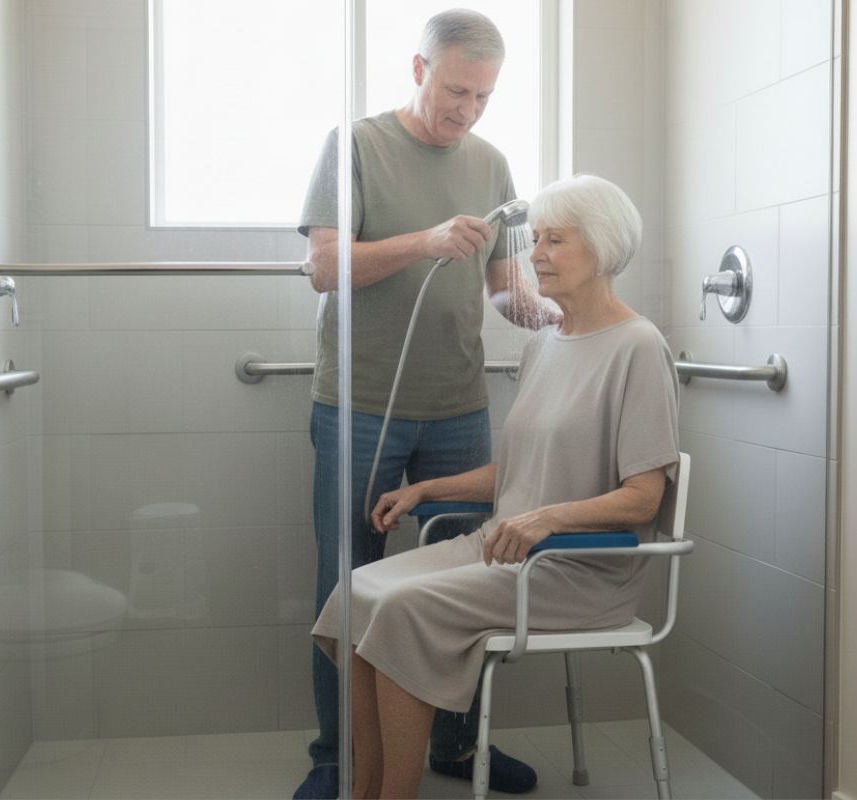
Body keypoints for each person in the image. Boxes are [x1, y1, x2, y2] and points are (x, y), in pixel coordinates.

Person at [310, 173, 682, 799]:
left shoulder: (639, 347)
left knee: (401, 609)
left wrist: (546, 520)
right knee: (357, 594)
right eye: (535, 239)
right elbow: (517, 469)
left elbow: (644, 497)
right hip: (504, 547)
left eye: (554, 241)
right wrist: (426, 491)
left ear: (604, 246)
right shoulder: (546, 345)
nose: (534, 255)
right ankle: (364, 789)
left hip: (575, 571)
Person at [294, 8, 555, 800]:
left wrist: (545, 312)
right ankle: (336, 760)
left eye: (482, 96)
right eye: (455, 91)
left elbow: (507, 286)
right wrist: (424, 241)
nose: (467, 111)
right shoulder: (358, 146)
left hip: (457, 406)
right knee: (348, 577)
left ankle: (455, 742)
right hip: (361, 403)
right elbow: (322, 266)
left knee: (471, 574)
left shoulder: (493, 163)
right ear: (418, 71)